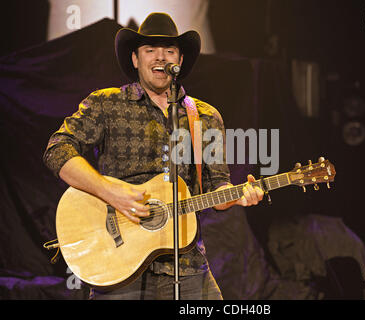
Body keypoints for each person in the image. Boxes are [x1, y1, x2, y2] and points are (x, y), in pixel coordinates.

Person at [43, 12, 264, 300]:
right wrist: (110, 191)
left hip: (187, 268)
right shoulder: (106, 104)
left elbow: (217, 188)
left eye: (169, 50)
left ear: (180, 60)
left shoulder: (206, 117)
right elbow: (57, 149)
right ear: (135, 59)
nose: (160, 58)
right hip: (119, 267)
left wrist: (238, 194)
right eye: (150, 50)